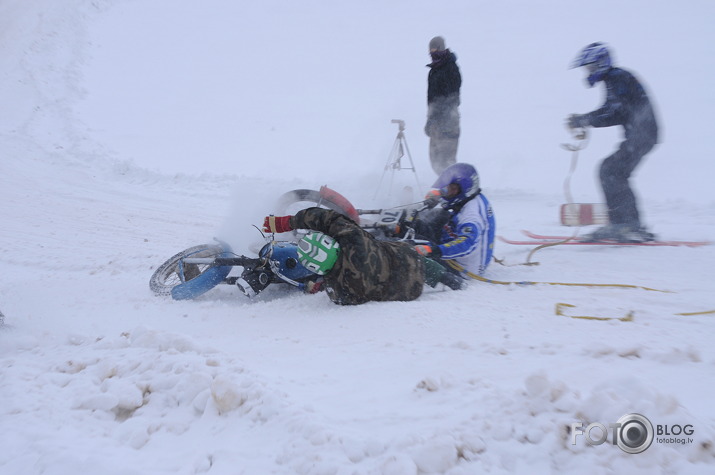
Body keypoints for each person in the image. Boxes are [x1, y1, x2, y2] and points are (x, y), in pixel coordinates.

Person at [261, 207, 463, 306]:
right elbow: (328, 218)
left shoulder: (343, 291)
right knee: (423, 258)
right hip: (411, 258)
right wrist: (287, 222)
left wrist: (316, 285)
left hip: (409, 291)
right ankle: (452, 280)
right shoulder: (354, 240)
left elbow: (329, 283)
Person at [567, 42, 659, 242]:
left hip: (642, 134)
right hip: (641, 134)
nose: (588, 72)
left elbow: (615, 112)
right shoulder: (615, 78)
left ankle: (628, 226)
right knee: (612, 171)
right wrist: (586, 120)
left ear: (601, 63)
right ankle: (623, 225)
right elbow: (613, 113)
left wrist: (584, 120)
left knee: (610, 171)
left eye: (590, 66)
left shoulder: (618, 77)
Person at [413, 162, 495, 277]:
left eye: (452, 189)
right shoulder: (471, 198)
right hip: (458, 249)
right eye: (447, 187)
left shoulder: (471, 215)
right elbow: (450, 198)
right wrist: (440, 193)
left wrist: (433, 250)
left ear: (465, 189)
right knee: (430, 217)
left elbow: (467, 243)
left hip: (462, 268)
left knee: (410, 247)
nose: (448, 191)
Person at [425, 36, 462, 175]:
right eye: (430, 50)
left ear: (441, 48)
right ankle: (445, 187)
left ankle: (453, 189)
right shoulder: (433, 71)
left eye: (435, 49)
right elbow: (432, 100)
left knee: (447, 160)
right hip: (436, 122)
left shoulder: (451, 68)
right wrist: (430, 120)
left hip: (449, 121)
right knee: (435, 160)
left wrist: (445, 117)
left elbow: (452, 96)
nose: (432, 53)